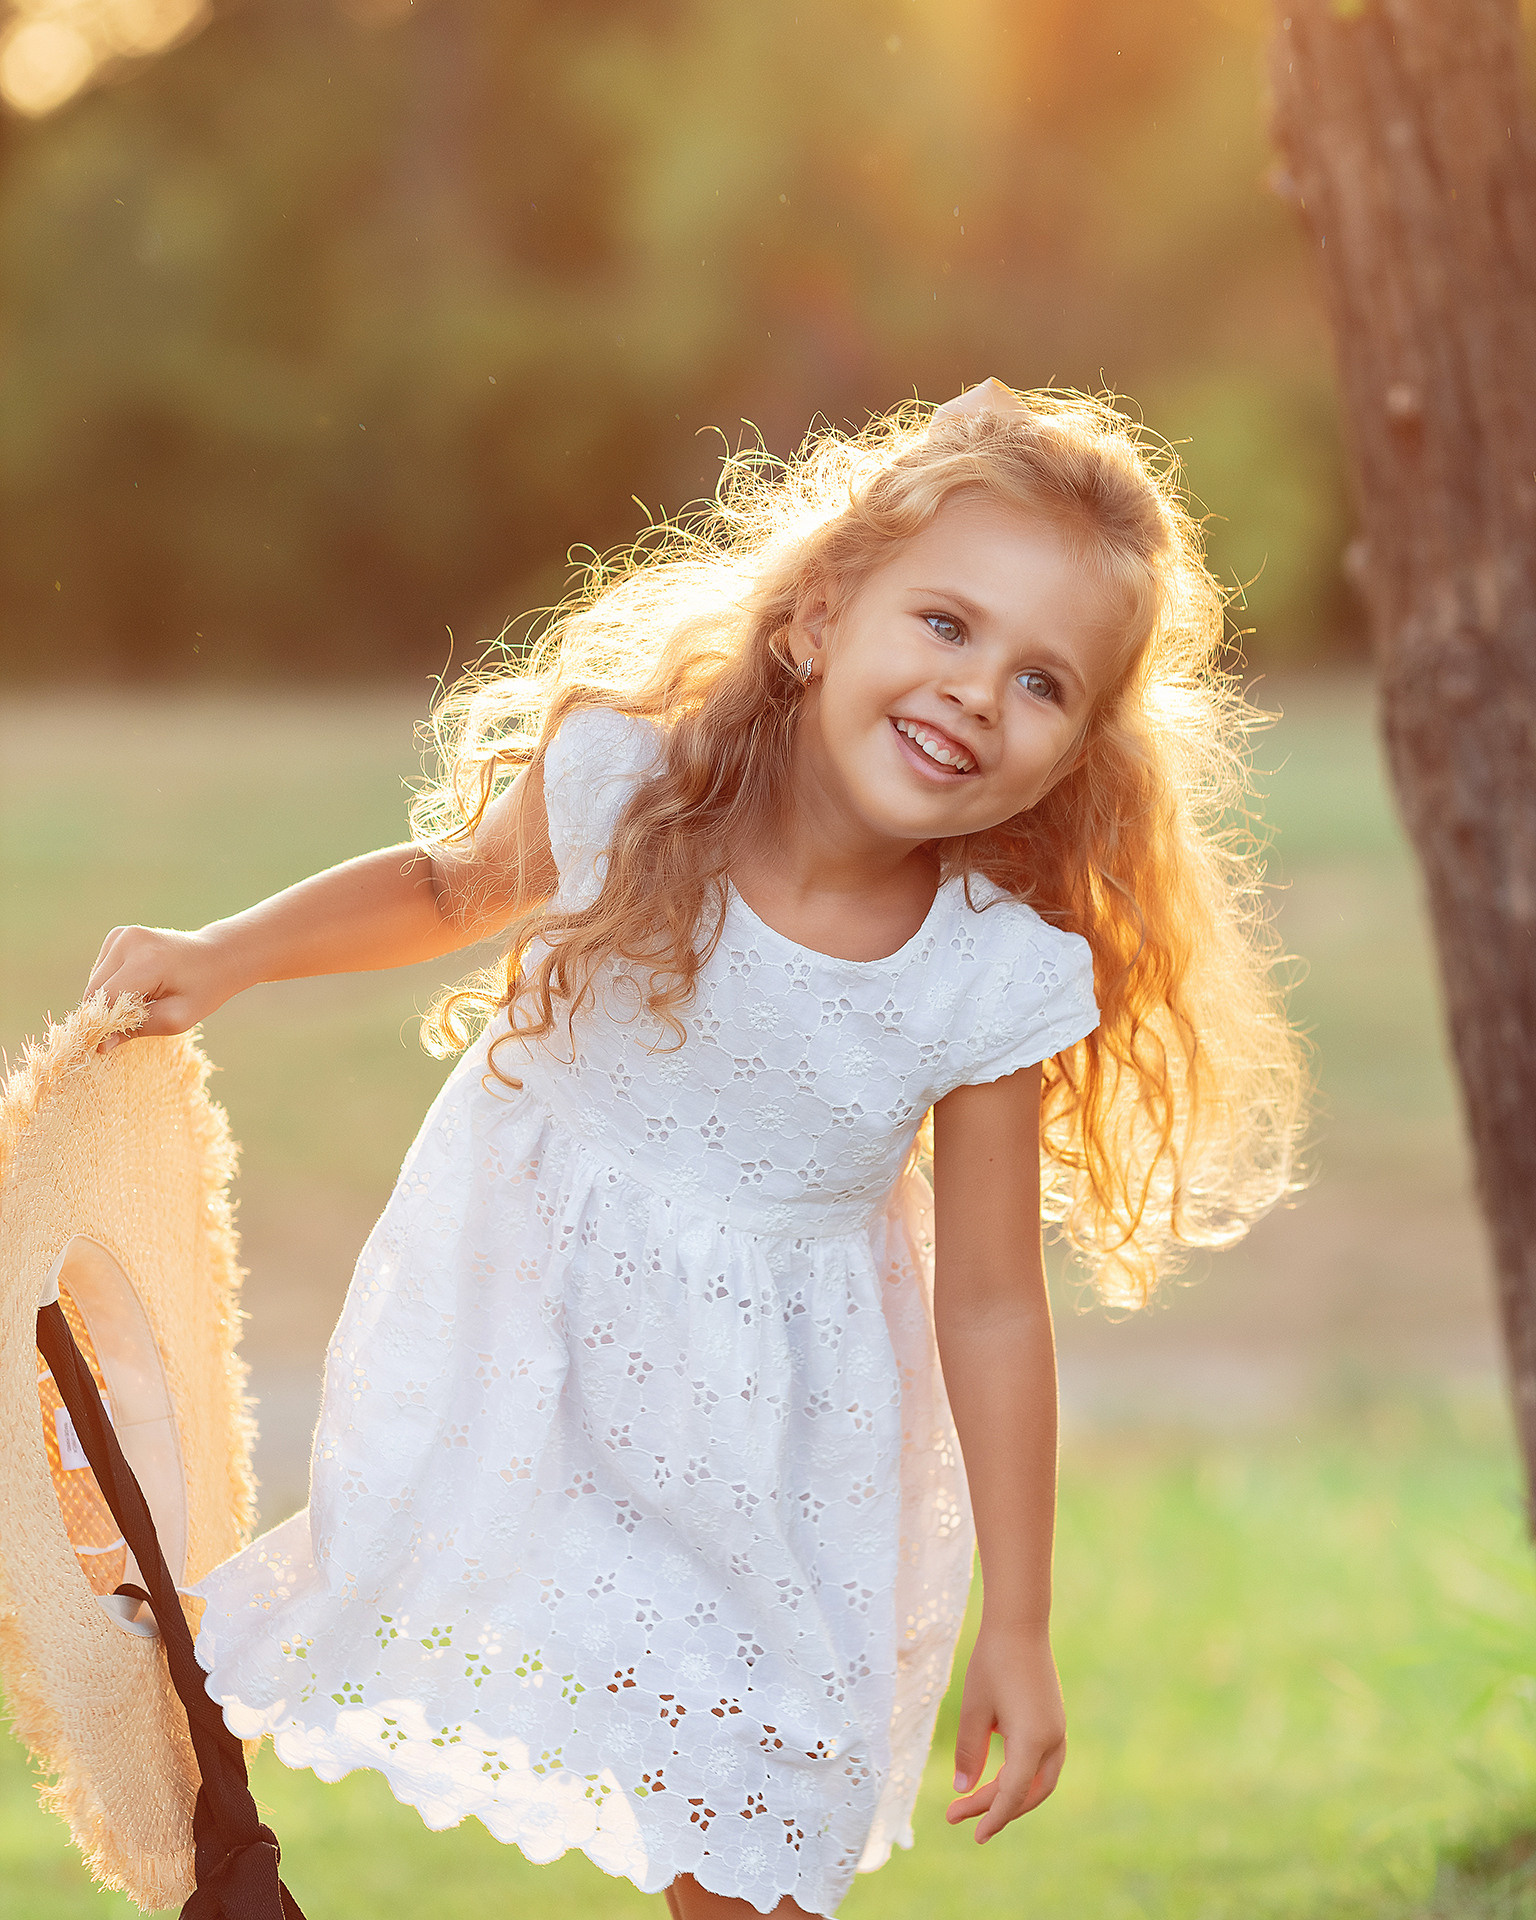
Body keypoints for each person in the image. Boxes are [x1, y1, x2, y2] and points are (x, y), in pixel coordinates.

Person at [85, 380, 1306, 1918]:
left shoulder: (990, 977)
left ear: (1073, 757)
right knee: (431, 1624)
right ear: (818, 619)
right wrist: (232, 952)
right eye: (945, 624)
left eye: (1044, 680)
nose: (977, 692)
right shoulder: (631, 789)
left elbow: (994, 1302)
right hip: (529, 1359)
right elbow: (448, 886)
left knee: (753, 1855)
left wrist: (1024, 1619)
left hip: (783, 1451)